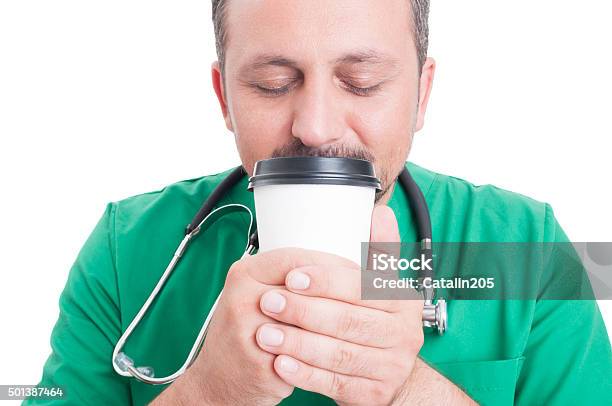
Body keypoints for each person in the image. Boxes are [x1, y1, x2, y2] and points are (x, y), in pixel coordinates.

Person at [27, 1, 611, 405]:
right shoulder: (123, 248)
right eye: (273, 85)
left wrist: (406, 390)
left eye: (361, 81)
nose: (314, 127)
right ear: (224, 97)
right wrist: (211, 394)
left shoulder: (525, 251)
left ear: (421, 95)